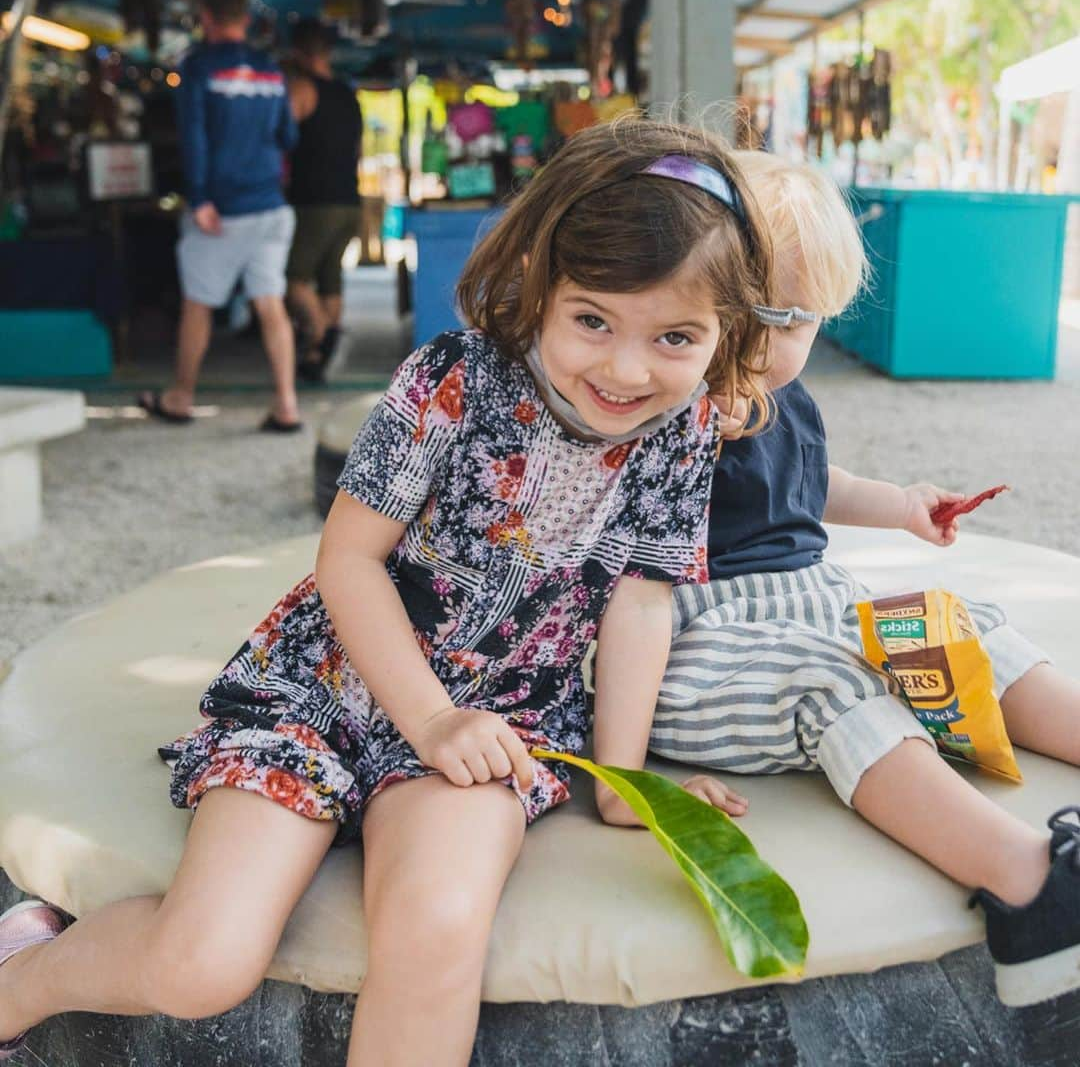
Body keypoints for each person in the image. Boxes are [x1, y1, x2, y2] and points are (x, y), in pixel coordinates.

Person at [0, 121, 769, 1067]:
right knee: (203, 962)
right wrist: (430, 716)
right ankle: (21, 978)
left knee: (438, 929)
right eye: (593, 319)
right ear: (539, 278)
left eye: (677, 336)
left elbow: (642, 598)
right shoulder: (455, 379)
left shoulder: (685, 427)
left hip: (499, 729)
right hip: (326, 696)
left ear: (729, 330)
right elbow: (349, 560)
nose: (626, 368)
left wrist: (625, 778)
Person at [650, 151, 1080, 1009]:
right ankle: (1032, 890)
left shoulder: (788, 395)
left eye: (799, 320)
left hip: (814, 593)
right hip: (696, 637)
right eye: (752, 314)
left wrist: (904, 505)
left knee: (956, 622)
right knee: (834, 682)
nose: (771, 345)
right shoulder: (661, 404)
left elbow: (813, 481)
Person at [139, 0, 301, 433]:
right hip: (272, 207)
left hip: (223, 211)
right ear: (245, 19)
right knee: (271, 305)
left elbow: (194, 136)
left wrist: (200, 197)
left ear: (205, 18)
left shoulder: (199, 67)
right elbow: (289, 137)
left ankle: (181, 397)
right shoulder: (271, 69)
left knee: (198, 305)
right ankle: (287, 404)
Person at [284, 18, 364, 382]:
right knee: (331, 279)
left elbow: (282, 137)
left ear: (299, 52)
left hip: (316, 201)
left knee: (293, 279)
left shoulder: (301, 88)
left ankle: (323, 335)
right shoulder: (348, 95)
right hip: (349, 199)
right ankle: (318, 357)